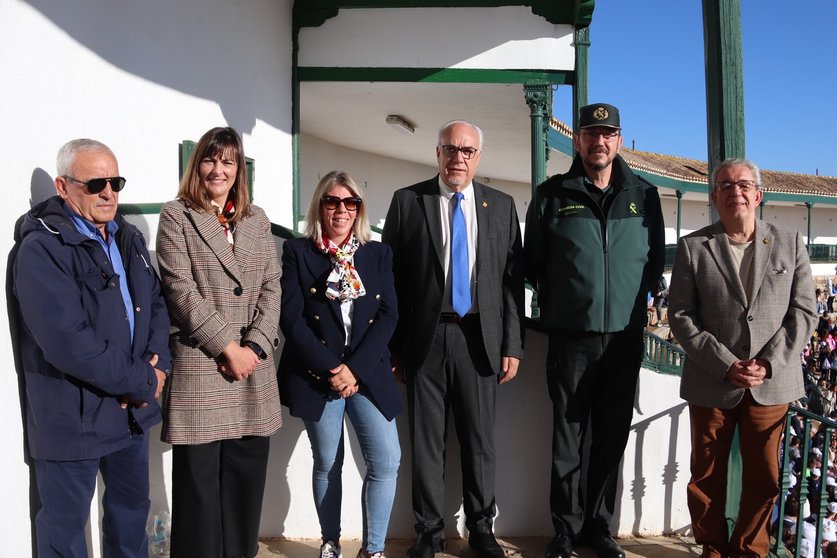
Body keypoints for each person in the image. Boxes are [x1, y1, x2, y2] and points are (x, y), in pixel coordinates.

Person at [12, 138, 171, 556]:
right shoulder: (41, 249)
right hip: (72, 418)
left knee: (130, 527)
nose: (108, 192)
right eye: (96, 183)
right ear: (63, 188)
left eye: (115, 182)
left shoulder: (127, 238)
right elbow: (69, 341)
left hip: (129, 415)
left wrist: (160, 364)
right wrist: (142, 379)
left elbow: (155, 304)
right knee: (63, 538)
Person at [524, 103, 665, 558]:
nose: (598, 142)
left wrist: (629, 308)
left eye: (607, 134)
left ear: (619, 140)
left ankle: (599, 527)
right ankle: (564, 531)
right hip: (571, 338)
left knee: (611, 437)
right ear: (579, 139)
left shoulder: (644, 196)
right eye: (590, 133)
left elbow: (654, 264)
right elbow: (534, 264)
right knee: (567, 441)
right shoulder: (551, 195)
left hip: (624, 339)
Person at [382, 120, 524, 558]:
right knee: (426, 441)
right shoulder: (408, 202)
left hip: (480, 338)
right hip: (425, 339)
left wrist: (512, 345)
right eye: (450, 149)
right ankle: (428, 532)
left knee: (479, 440)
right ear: (437, 152)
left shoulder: (500, 205)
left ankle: (481, 528)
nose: (458, 157)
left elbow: (511, 283)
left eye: (467, 150)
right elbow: (391, 282)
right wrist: (394, 347)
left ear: (478, 157)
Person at [668, 158, 818, 558]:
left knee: (766, 476)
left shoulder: (790, 242)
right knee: (706, 476)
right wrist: (724, 363)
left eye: (744, 184)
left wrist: (768, 363)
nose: (736, 191)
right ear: (715, 196)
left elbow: (804, 312)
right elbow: (680, 314)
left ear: (758, 194)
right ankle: (713, 547)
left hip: (772, 383)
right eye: (726, 185)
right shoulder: (694, 246)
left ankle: (750, 548)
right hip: (711, 380)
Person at [156, 127, 282, 558]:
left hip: (253, 369)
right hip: (202, 365)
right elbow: (180, 289)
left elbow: (272, 286)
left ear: (239, 170)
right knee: (198, 494)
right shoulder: (177, 215)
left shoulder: (256, 219)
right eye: (211, 160)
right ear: (198, 165)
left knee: (245, 490)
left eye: (228, 162)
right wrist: (229, 347)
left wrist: (256, 347)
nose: (219, 169)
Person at [278, 171, 402, 558]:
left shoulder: (377, 253)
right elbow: (292, 318)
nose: (341, 210)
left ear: (360, 209)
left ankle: (374, 550)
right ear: (320, 205)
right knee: (328, 461)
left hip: (366, 372)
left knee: (386, 460)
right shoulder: (299, 253)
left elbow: (388, 315)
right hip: (319, 374)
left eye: (351, 203)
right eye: (332, 201)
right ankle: (330, 542)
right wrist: (334, 369)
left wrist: (355, 370)